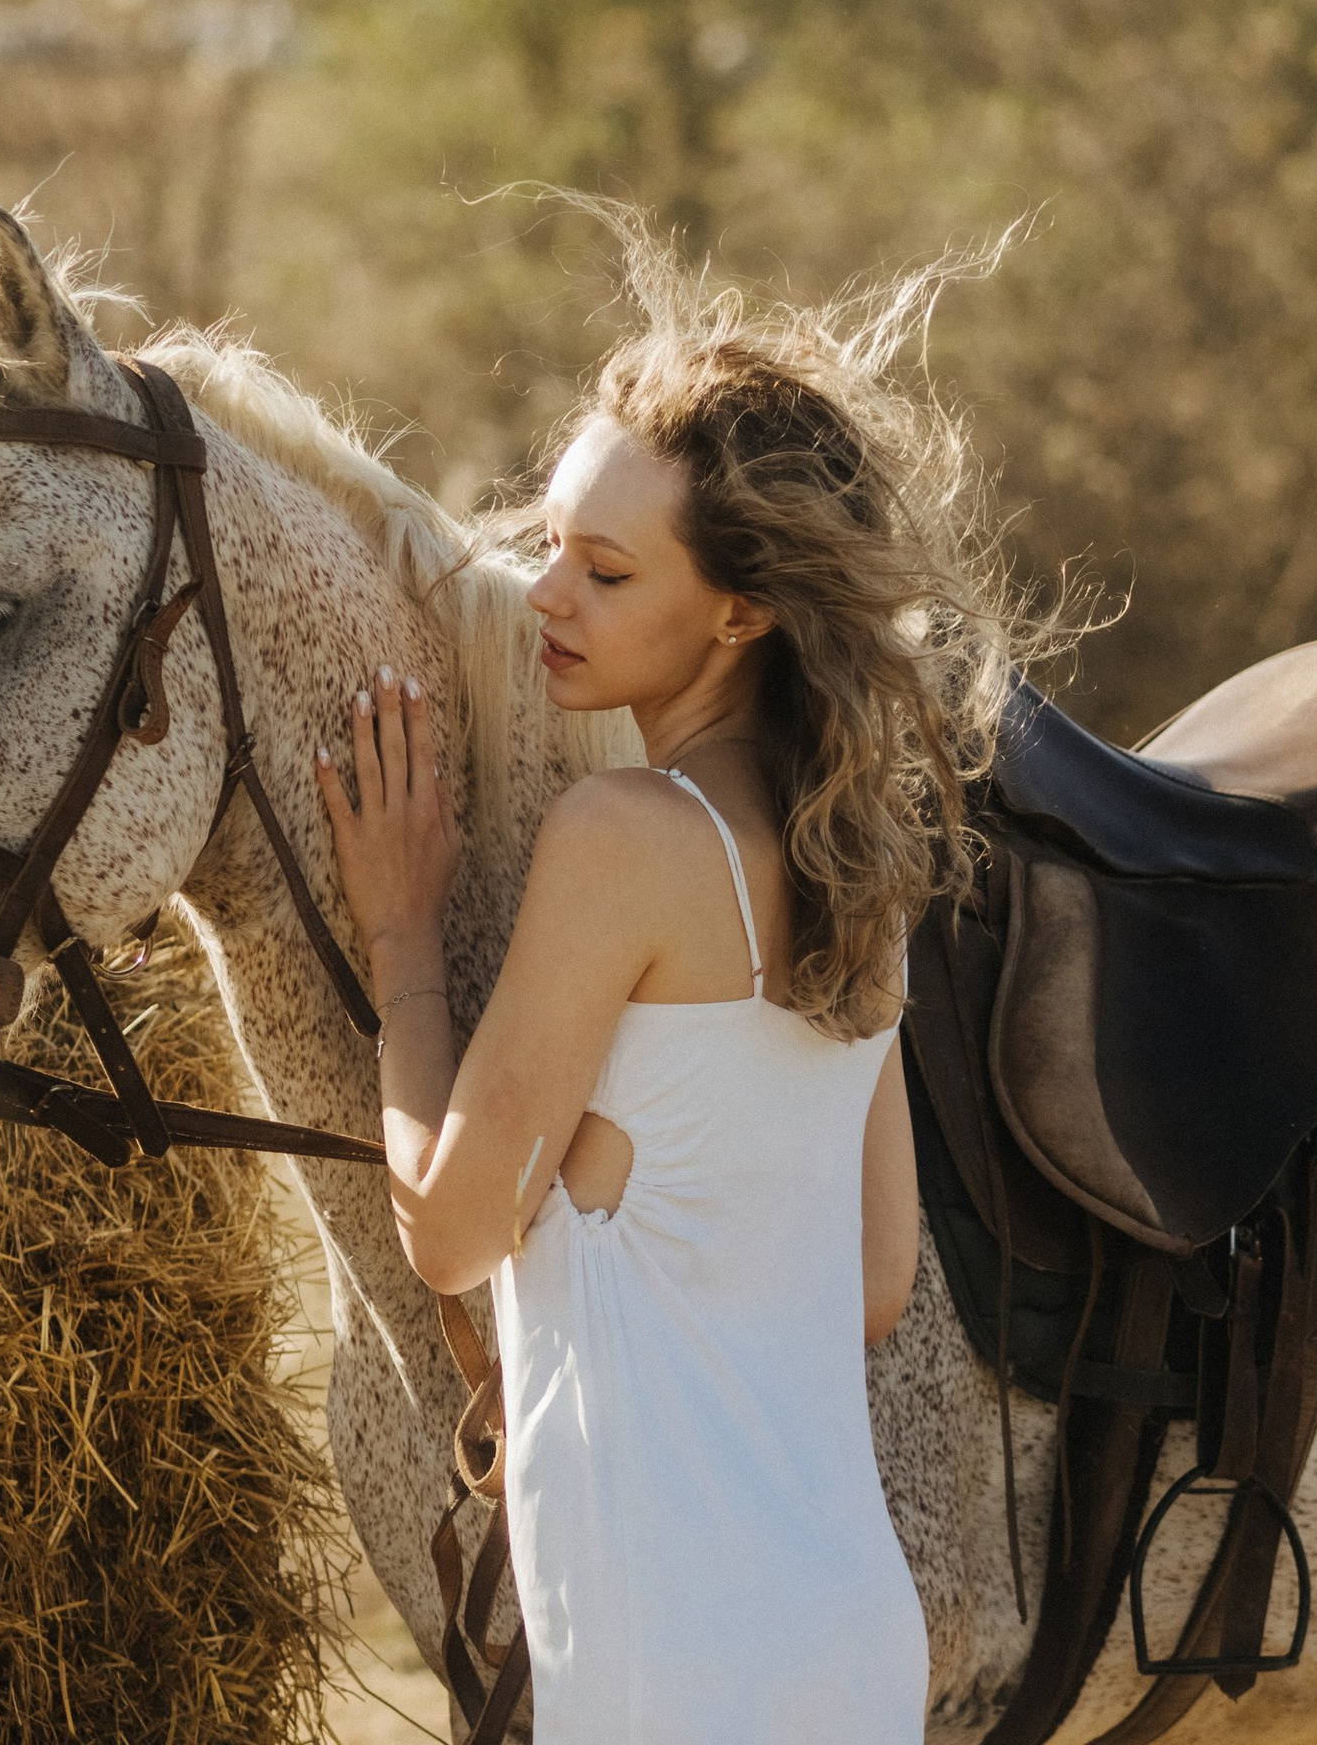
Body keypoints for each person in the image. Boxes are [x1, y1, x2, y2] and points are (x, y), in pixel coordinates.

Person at [314, 215, 1027, 1743]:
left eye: (607, 569)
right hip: (839, 1632)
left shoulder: (624, 834)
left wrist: (402, 929)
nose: (545, 597)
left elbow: (446, 1232)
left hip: (674, 1657)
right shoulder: (860, 846)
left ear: (744, 609)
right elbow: (874, 1278)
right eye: (551, 541)